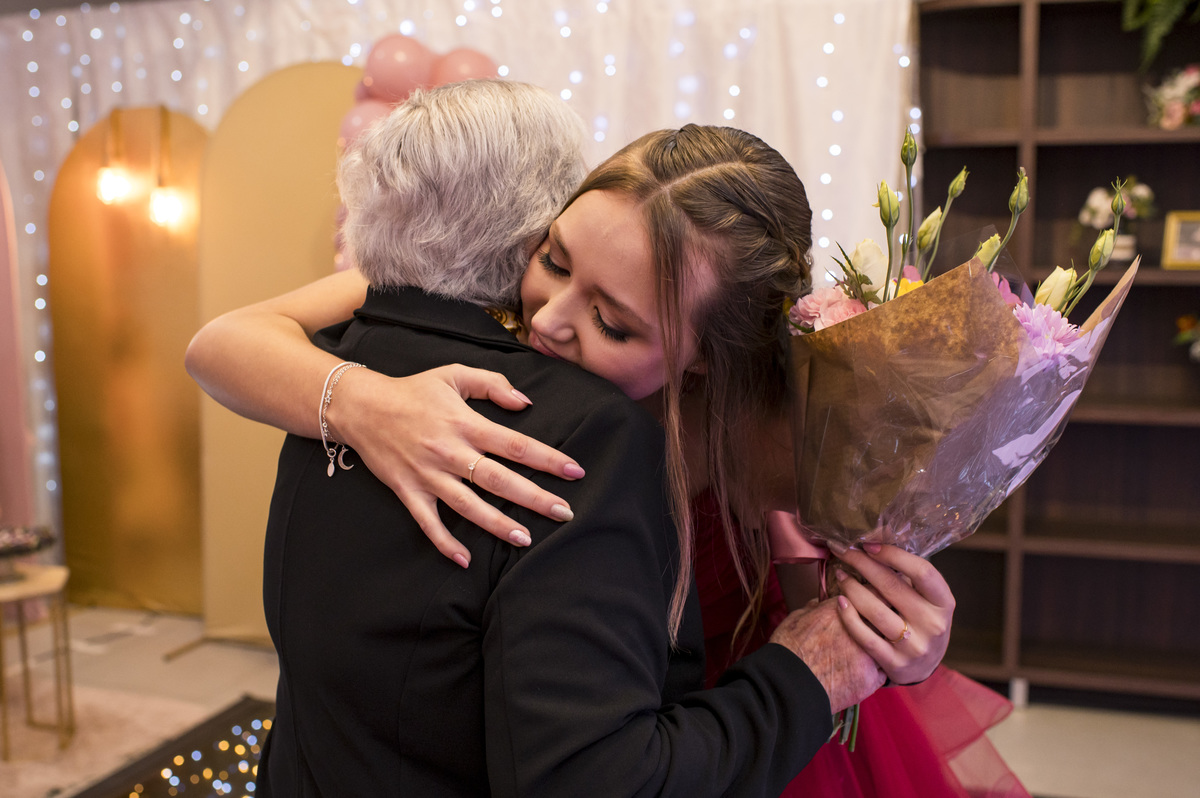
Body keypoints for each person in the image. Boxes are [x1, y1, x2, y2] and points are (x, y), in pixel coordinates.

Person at [190, 78, 935, 796]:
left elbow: (844, 606)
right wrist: (362, 401)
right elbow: (223, 343)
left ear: (709, 356)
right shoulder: (485, 301)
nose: (548, 319)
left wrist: (907, 644)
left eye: (613, 324)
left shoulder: (749, 438)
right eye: (551, 260)